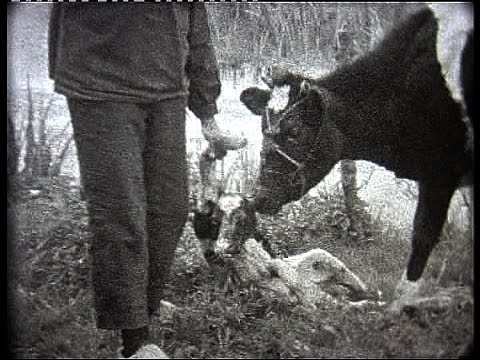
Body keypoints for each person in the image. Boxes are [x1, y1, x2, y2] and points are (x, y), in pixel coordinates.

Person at [48, 3, 246, 358]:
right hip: (100, 81)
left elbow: (194, 18)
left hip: (165, 83)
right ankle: (134, 339)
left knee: (169, 208)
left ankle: (143, 305)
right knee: (121, 214)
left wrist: (208, 112)